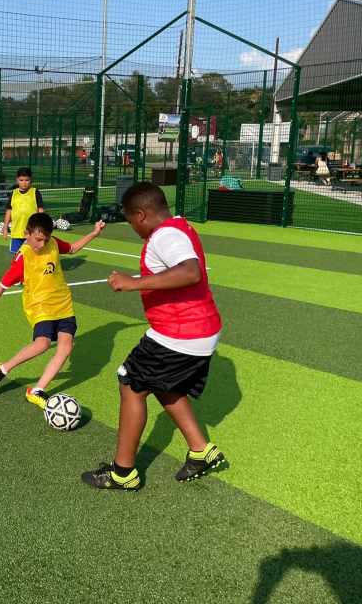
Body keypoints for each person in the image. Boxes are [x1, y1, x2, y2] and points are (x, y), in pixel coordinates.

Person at [82, 182, 224, 491]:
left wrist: (132, 283)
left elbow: (190, 272)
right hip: (196, 329)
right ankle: (201, 450)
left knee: (131, 384)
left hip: (182, 332)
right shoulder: (179, 226)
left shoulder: (165, 236)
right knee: (162, 383)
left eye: (130, 221)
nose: (132, 228)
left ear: (141, 215)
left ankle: (123, 473)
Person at [0, 212, 106, 409]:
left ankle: (37, 390)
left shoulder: (52, 243)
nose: (42, 244)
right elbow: (2, 286)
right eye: (38, 239)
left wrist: (94, 233)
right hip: (39, 305)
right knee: (42, 344)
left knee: (66, 347)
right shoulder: (23, 258)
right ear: (26, 234)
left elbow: (72, 248)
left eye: (45, 239)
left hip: (63, 303)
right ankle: (3, 369)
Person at [0, 167, 44, 254]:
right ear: (17, 180)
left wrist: (42, 227)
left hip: (32, 232)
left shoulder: (35, 192)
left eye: (27, 180)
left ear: (31, 180)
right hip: (16, 232)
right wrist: (5, 227)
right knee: (16, 255)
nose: (24, 183)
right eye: (21, 180)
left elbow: (41, 210)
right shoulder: (13, 193)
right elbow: (9, 211)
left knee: (32, 254)